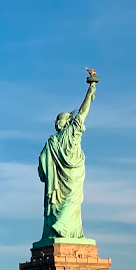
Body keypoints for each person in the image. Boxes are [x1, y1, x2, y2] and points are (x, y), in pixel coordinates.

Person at [37, 75, 97, 241]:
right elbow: (83, 112)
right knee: (73, 201)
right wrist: (91, 89)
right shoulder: (60, 138)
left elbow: (42, 167)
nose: (56, 122)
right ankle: (63, 228)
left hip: (64, 179)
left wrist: (90, 89)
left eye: (59, 119)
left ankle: (61, 227)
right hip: (74, 176)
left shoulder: (58, 139)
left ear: (65, 122)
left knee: (68, 202)